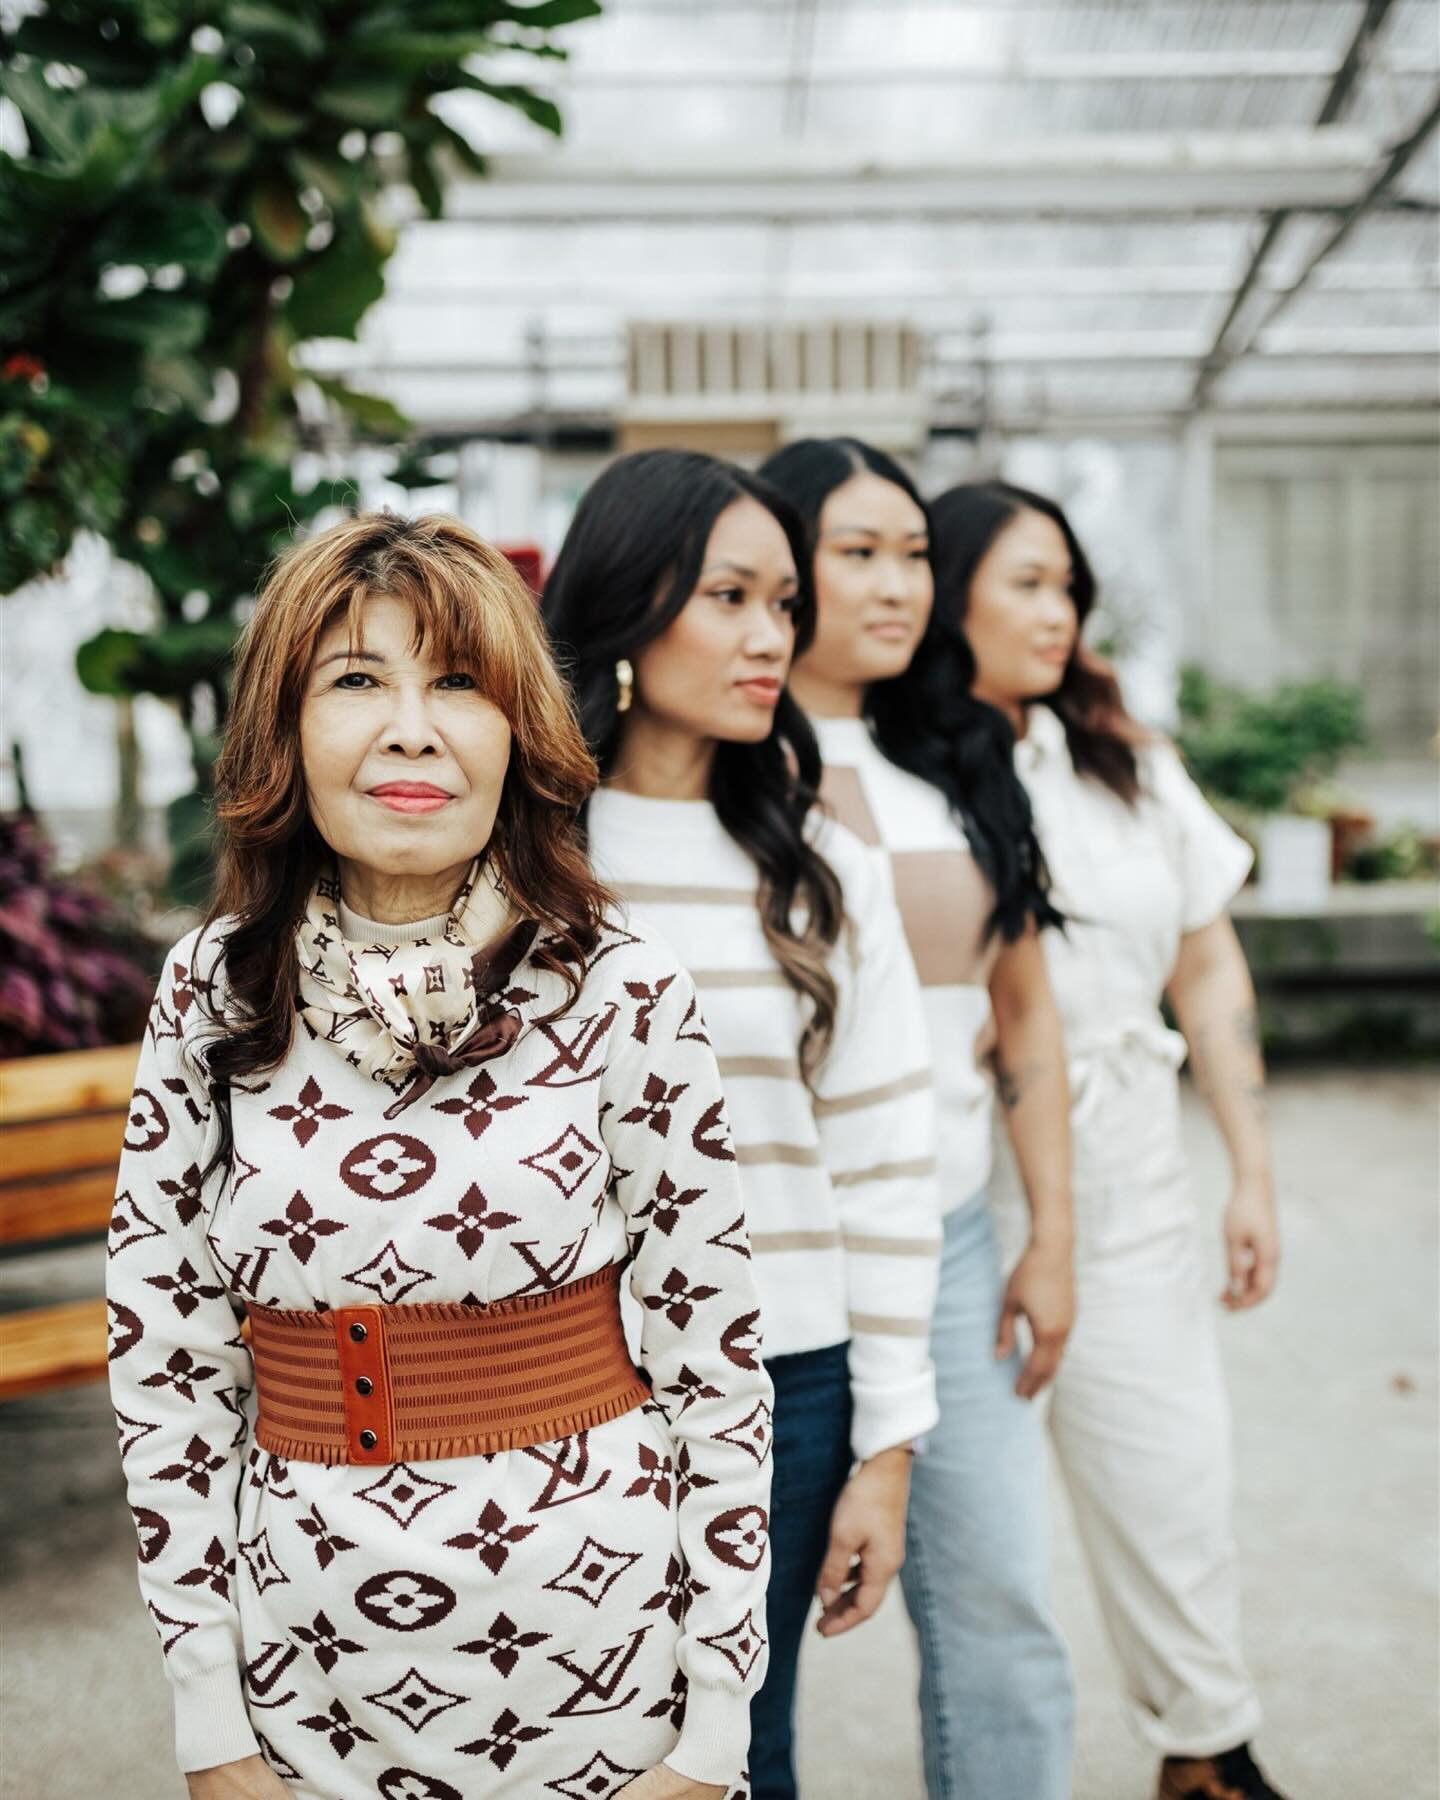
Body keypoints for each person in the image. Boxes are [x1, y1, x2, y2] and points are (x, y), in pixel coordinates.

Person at [107, 511, 774, 1800]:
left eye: (459, 684)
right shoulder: (210, 991)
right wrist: (211, 1722)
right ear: (282, 732)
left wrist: (712, 1734)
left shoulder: (624, 993)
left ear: (519, 731)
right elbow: (165, 1368)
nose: (412, 727)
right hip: (302, 1682)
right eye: (357, 681)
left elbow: (718, 1370)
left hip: (601, 1672)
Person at [542, 449, 941, 1800]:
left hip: (786, 1383)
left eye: (783, 601)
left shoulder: (822, 873)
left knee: (738, 1758)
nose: (774, 634)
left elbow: (886, 1171)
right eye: (729, 596)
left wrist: (883, 1458)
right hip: (554, 1391)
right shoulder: (526, 865)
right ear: (629, 605)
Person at [929, 479, 1290, 1800]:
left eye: (1068, 586)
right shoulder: (903, 768)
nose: (1058, 610)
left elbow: (1207, 966)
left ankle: (1209, 1753)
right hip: (965, 1182)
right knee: (985, 1555)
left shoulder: (1118, 752)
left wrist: (1250, 1172)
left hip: (1132, 1164)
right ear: (947, 588)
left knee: (1173, 1478)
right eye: (1024, 581)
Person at [761, 438, 1077, 1800]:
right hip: (759, 1266)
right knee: (737, 1648)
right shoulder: (710, 771)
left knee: (1005, 1606)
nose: (897, 586)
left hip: (944, 1244)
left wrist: (1048, 1231)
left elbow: (1028, 1020)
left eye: (913, 556)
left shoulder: (958, 763)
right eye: (857, 553)